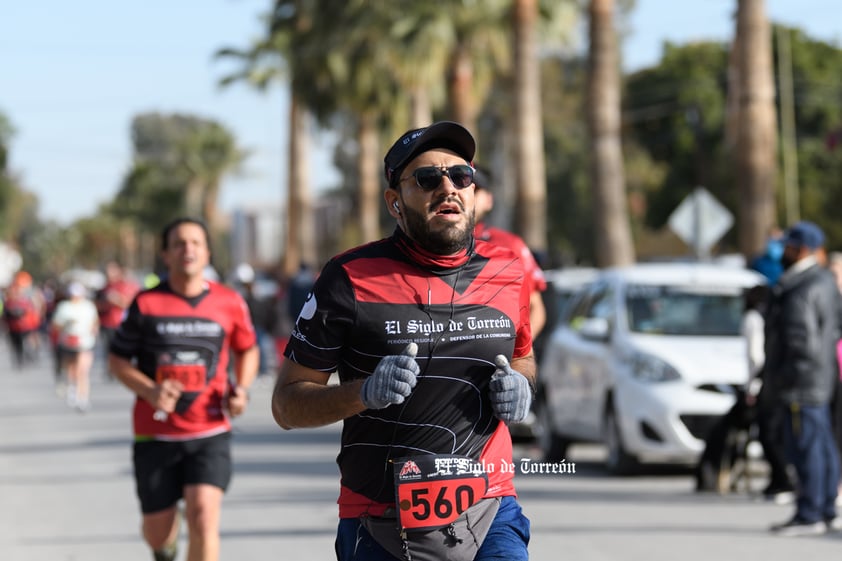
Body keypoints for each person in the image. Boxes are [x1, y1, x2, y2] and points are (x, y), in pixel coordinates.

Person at [272, 121, 534, 561]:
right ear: (395, 202)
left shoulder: (509, 270)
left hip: (490, 508)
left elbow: (523, 357)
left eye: (461, 176)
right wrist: (364, 393)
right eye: (428, 179)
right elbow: (285, 405)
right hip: (380, 520)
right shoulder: (348, 278)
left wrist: (522, 385)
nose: (448, 186)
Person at [108, 217, 259, 561]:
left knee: (204, 517)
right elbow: (117, 361)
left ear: (207, 253)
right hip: (155, 435)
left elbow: (247, 348)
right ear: (166, 254)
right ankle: (165, 545)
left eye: (195, 243)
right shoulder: (146, 303)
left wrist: (243, 389)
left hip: (210, 431)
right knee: (157, 534)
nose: (187, 249)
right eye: (178, 243)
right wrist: (149, 391)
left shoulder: (230, 302)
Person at [765, 221, 842, 536]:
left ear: (801, 250)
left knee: (805, 448)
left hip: (801, 382)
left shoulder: (800, 287)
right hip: (821, 378)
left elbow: (801, 341)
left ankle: (810, 513)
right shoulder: (823, 281)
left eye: (787, 247)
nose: (782, 252)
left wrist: (785, 378)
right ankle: (824, 509)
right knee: (822, 445)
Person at [473, 165, 547, 342]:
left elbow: (536, 309)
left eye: (474, 190)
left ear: (489, 201)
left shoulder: (509, 245)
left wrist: (517, 357)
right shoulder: (422, 245)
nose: (465, 195)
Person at [51, 281, 99, 412]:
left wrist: (94, 330)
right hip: (68, 341)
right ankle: (72, 388)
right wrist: (67, 324)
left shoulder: (88, 306)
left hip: (85, 342)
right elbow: (56, 325)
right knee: (72, 369)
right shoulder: (64, 307)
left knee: (82, 370)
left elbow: (95, 322)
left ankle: (83, 398)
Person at [96, 260, 140, 378]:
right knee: (109, 348)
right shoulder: (104, 288)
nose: (109, 273)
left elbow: (132, 304)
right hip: (107, 323)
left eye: (112, 270)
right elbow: (98, 305)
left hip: (123, 323)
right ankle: (111, 369)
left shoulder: (127, 286)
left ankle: (124, 370)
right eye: (108, 270)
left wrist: (117, 300)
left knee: (124, 349)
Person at [2, 270, 45, 369]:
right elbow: (5, 310)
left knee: (30, 339)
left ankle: (32, 353)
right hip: (14, 325)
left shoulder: (31, 294)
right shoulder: (10, 296)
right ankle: (20, 358)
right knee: (16, 343)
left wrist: (38, 316)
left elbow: (38, 306)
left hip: (29, 324)